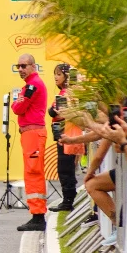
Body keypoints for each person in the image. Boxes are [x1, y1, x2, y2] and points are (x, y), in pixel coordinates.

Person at [12, 54, 49, 231]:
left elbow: (18, 108)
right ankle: (37, 214)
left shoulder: (33, 85)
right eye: (18, 66)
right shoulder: (30, 85)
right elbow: (16, 107)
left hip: (33, 134)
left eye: (24, 66)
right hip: (30, 134)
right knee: (32, 171)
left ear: (33, 66)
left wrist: (17, 102)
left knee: (33, 172)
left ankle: (38, 215)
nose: (20, 69)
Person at [48, 64, 82, 212]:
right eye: (55, 74)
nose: (56, 77)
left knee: (65, 167)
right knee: (65, 167)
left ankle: (68, 201)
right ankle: (67, 199)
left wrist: (56, 112)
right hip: (64, 133)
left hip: (68, 134)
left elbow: (56, 112)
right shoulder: (63, 92)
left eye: (59, 74)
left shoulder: (69, 93)